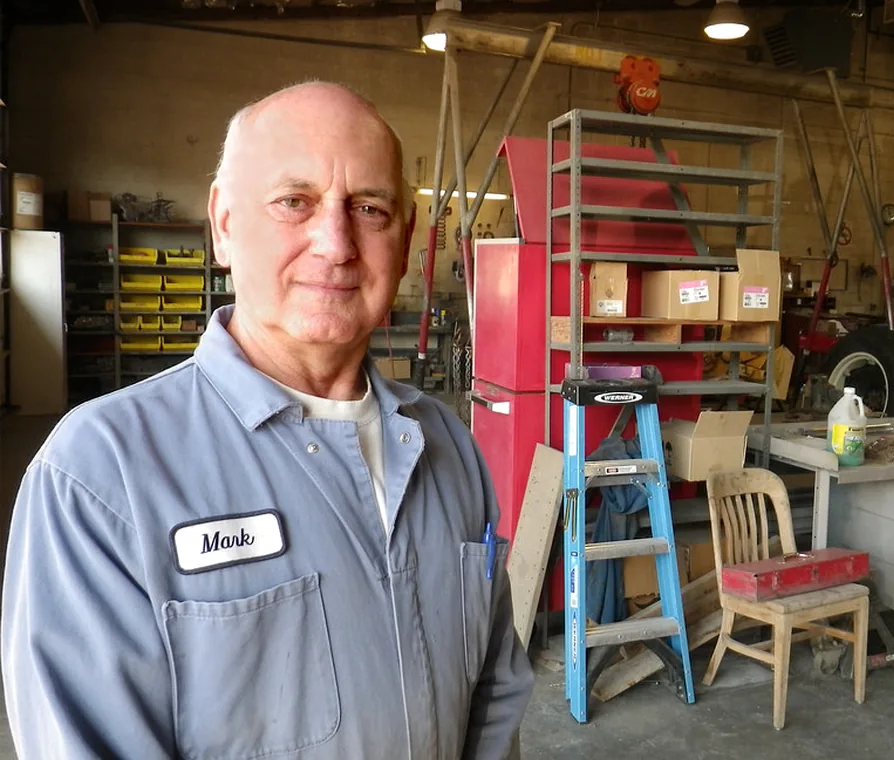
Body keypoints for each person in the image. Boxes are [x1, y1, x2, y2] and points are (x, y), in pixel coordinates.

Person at [2, 81, 533, 759]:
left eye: (369, 208)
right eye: (295, 202)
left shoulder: (448, 447)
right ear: (223, 224)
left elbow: (495, 695)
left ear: (403, 247)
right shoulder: (100, 477)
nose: (336, 243)